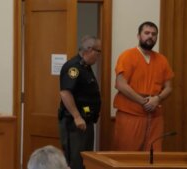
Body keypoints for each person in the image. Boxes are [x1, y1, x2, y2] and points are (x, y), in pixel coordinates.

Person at [112, 21, 174, 151]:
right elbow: (121, 84)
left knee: (153, 156)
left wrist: (157, 99)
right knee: (127, 156)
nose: (150, 36)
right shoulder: (127, 56)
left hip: (155, 117)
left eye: (154, 34)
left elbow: (169, 87)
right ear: (139, 36)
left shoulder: (162, 60)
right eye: (146, 33)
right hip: (131, 115)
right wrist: (143, 101)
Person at [58, 35, 102, 169]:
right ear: (88, 50)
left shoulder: (85, 67)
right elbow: (65, 92)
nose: (99, 55)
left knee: (85, 161)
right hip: (75, 123)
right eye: (98, 51)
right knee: (75, 161)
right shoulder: (73, 67)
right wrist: (77, 117)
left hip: (85, 121)